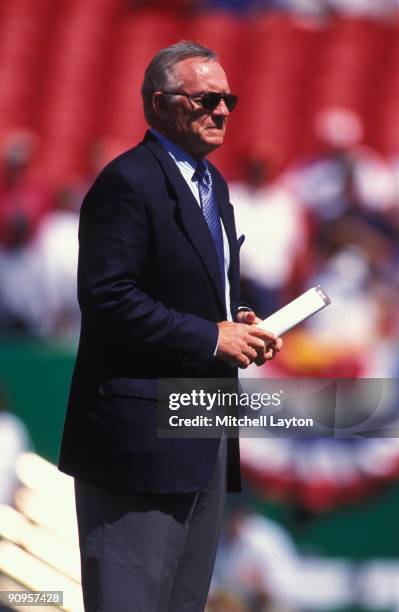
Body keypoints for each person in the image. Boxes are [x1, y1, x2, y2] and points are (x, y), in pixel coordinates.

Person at [58, 41, 282, 612]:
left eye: (228, 98)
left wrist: (240, 324)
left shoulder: (212, 185)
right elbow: (107, 298)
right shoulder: (128, 181)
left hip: (201, 427)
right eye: (207, 98)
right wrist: (212, 336)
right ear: (161, 104)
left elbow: (193, 289)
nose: (224, 110)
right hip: (139, 437)